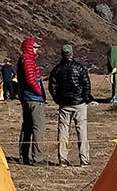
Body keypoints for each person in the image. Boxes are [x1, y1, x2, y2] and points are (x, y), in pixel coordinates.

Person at [48, 44, 92, 167]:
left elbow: (52, 87)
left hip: (64, 104)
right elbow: (86, 84)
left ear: (62, 54)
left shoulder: (57, 69)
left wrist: (58, 99)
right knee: (82, 131)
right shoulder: (80, 68)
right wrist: (86, 98)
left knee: (63, 131)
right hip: (79, 103)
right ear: (72, 53)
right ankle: (84, 159)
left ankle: (63, 159)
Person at [16, 37, 46, 166]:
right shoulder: (28, 60)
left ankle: (24, 155)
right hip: (33, 98)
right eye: (35, 47)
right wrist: (39, 91)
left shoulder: (23, 59)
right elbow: (30, 79)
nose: (37, 50)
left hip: (26, 97)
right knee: (38, 127)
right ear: (29, 47)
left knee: (27, 126)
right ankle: (37, 157)